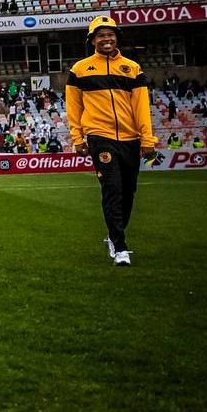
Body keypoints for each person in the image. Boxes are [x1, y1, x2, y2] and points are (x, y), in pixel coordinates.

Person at [66, 16, 156, 266]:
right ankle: (120, 246)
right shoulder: (79, 69)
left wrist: (147, 138)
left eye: (110, 34)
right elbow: (73, 108)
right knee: (113, 190)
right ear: (92, 40)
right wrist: (77, 138)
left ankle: (113, 235)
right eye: (101, 35)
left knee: (128, 192)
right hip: (99, 136)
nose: (106, 39)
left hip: (130, 138)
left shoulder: (133, 68)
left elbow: (142, 107)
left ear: (117, 38)